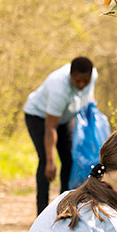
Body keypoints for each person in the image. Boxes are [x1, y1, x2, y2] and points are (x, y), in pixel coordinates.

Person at [23, 57, 97, 214]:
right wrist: (51, 161)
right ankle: (41, 212)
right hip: (38, 116)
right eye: (78, 81)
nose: (82, 84)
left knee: (69, 160)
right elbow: (51, 127)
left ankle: (64, 208)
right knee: (45, 163)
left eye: (85, 81)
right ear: (70, 76)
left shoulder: (93, 75)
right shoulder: (59, 87)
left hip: (63, 118)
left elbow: (87, 99)